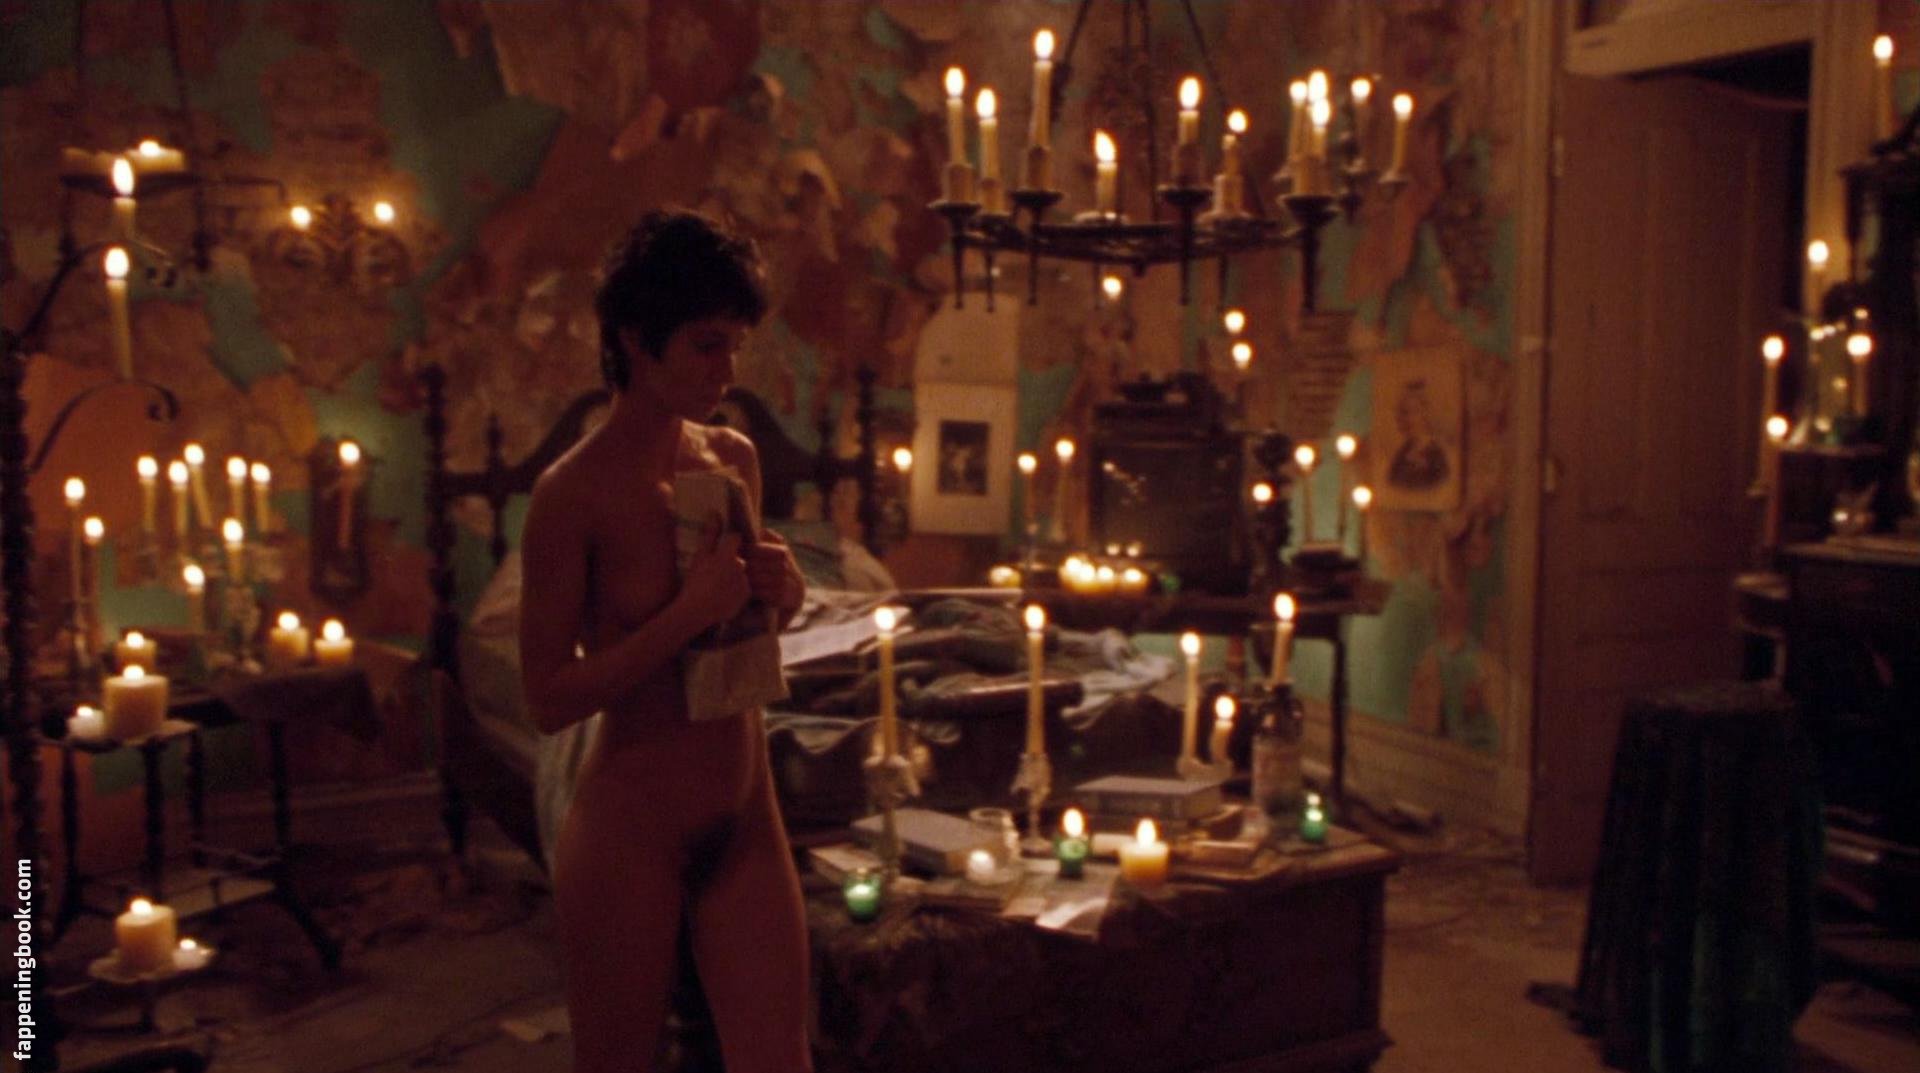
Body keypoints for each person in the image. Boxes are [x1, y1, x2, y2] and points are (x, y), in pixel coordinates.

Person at [518, 210, 812, 1073]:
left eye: (737, 346)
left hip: (744, 808)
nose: (729, 370)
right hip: (631, 828)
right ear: (635, 341)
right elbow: (547, 700)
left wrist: (782, 593)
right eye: (707, 345)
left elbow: (745, 636)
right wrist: (684, 614)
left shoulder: (733, 458)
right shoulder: (572, 495)